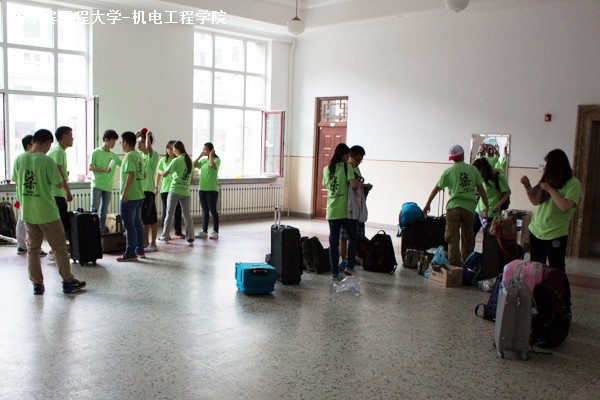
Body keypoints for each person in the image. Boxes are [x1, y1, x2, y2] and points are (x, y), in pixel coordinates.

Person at [11, 129, 86, 295]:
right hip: (47, 213)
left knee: (33, 249)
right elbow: (58, 183)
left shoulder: (19, 159)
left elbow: (17, 181)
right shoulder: (46, 161)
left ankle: (37, 285)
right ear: (47, 143)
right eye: (48, 145)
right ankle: (68, 281)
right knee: (59, 247)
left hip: (28, 212)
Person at [423, 145, 488, 266]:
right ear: (463, 155)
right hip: (469, 209)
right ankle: (467, 265)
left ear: (452, 158)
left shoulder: (448, 172)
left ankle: (454, 268)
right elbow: (481, 190)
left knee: (452, 239)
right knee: (467, 239)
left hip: (453, 208)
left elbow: (435, 190)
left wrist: (427, 205)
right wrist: (487, 206)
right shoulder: (473, 170)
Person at [520, 149, 581, 271]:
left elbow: (565, 207)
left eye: (548, 164)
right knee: (536, 268)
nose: (546, 167)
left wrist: (550, 190)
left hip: (555, 233)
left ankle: (556, 285)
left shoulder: (573, 183)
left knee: (556, 269)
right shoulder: (549, 179)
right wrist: (527, 187)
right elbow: (535, 201)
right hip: (536, 230)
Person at [323, 143, 358, 280]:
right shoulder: (346, 166)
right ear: (344, 155)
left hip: (332, 210)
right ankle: (349, 267)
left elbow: (326, 184)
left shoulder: (326, 169)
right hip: (345, 211)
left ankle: (334, 273)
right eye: (348, 156)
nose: (348, 158)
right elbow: (353, 185)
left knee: (333, 242)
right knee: (353, 237)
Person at [15, 135, 48, 257]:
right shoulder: (23, 159)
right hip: (25, 196)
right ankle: (24, 246)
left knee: (28, 221)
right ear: (30, 145)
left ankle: (29, 246)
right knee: (25, 221)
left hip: (29, 196)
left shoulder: (31, 159)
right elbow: (17, 181)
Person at [158, 141, 195, 246]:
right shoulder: (190, 161)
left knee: (169, 214)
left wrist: (158, 170)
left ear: (177, 150)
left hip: (174, 190)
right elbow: (191, 177)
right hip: (186, 191)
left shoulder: (176, 161)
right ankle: (190, 238)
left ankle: (164, 237)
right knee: (187, 215)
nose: (173, 152)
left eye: (174, 150)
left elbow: (164, 174)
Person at [117, 131, 145, 262]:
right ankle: (140, 249)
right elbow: (142, 174)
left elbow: (131, 174)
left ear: (126, 142)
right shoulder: (138, 155)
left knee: (129, 225)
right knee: (137, 223)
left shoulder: (129, 156)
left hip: (131, 196)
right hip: (139, 194)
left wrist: (125, 192)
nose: (121, 144)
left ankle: (130, 252)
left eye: (121, 142)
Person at [89, 129, 122, 233]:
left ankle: (101, 230)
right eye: (112, 141)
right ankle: (92, 231)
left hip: (108, 186)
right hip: (97, 185)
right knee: (94, 209)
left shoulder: (114, 155)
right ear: (106, 140)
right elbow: (90, 167)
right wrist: (103, 170)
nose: (114, 143)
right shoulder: (96, 152)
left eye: (115, 141)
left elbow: (123, 165)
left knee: (104, 210)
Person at [339, 145, 366, 269]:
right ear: (350, 156)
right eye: (357, 160)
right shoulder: (346, 167)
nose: (359, 163)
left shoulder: (356, 168)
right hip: (347, 207)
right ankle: (343, 260)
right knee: (343, 237)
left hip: (357, 206)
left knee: (354, 236)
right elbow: (351, 185)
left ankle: (351, 258)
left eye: (361, 160)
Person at [472, 157, 511, 238]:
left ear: (482, 169)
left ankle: (487, 247)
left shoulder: (497, 176)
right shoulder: (481, 177)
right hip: (479, 210)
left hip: (492, 212)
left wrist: (498, 205)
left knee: (488, 237)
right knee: (471, 233)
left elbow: (508, 192)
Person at [47, 126, 74, 239]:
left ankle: (58, 246)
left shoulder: (58, 151)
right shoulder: (58, 151)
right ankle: (57, 247)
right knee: (61, 224)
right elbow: (58, 172)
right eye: (71, 135)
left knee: (60, 222)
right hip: (56, 193)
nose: (73, 138)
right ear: (64, 136)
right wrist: (67, 191)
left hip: (57, 193)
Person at [136, 130, 159, 252]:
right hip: (140, 191)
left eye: (141, 142)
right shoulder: (140, 155)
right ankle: (145, 242)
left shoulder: (153, 155)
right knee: (144, 219)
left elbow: (149, 148)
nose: (138, 144)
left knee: (150, 219)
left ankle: (152, 243)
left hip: (148, 191)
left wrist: (147, 136)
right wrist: (136, 136)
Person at [156, 141, 184, 240]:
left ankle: (178, 231)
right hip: (165, 189)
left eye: (171, 148)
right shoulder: (163, 160)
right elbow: (158, 174)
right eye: (168, 148)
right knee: (166, 212)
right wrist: (156, 187)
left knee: (177, 211)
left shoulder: (178, 160)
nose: (169, 150)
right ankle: (165, 233)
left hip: (176, 189)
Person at [194, 142, 220, 240]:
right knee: (204, 210)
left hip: (212, 189)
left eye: (205, 150)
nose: (204, 151)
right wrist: (200, 156)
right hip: (202, 188)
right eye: (203, 149)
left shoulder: (216, 159)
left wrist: (211, 156)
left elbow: (212, 165)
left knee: (212, 210)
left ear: (211, 150)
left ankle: (215, 231)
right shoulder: (203, 160)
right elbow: (193, 165)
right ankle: (204, 231)